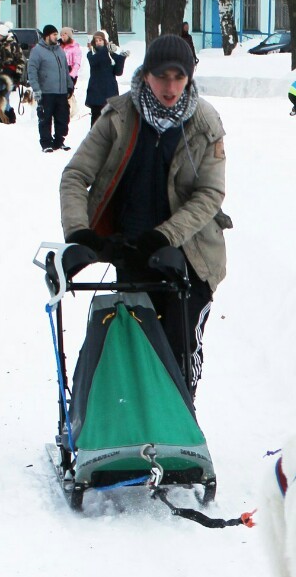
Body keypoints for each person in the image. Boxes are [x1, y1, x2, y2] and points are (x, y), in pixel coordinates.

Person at [60, 33, 228, 396]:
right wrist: (80, 233)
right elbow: (76, 175)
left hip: (191, 254)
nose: (170, 87)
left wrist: (165, 236)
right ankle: (133, 421)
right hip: (134, 249)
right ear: (146, 74)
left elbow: (210, 193)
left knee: (180, 347)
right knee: (135, 343)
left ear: (190, 77)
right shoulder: (119, 115)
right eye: (161, 76)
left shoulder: (205, 123)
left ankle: (182, 417)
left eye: (179, 77)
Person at [27, 24, 74, 153]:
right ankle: (46, 143)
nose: (56, 37)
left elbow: (65, 70)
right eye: (54, 34)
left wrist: (69, 86)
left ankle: (59, 141)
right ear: (47, 36)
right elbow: (32, 71)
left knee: (63, 118)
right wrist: (36, 89)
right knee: (45, 118)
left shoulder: (59, 50)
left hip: (61, 91)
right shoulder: (37, 51)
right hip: (46, 92)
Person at [85, 30, 127, 126]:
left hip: (109, 91)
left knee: (111, 120)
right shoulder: (91, 54)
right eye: (96, 41)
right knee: (96, 120)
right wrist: (106, 50)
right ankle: (95, 139)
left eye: (100, 40)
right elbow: (93, 61)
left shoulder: (110, 55)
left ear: (105, 41)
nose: (98, 42)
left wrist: (122, 58)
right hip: (96, 92)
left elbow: (118, 72)